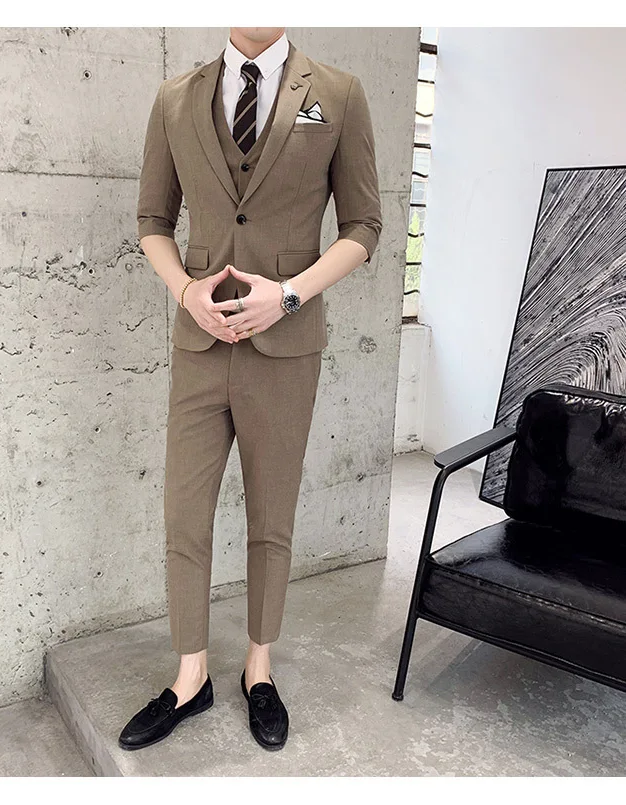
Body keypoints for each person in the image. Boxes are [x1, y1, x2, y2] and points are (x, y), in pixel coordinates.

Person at [118, 26, 382, 752]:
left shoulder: (338, 94)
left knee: (272, 515)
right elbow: (152, 220)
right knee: (185, 515)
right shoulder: (176, 98)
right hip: (201, 344)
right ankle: (190, 677)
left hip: (285, 348)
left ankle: (258, 669)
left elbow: (364, 225)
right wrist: (185, 290)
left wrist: (289, 294)